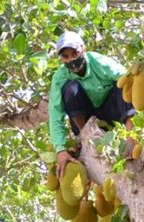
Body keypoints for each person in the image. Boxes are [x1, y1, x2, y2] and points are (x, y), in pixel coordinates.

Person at [49, 31, 135, 177]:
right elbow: (55, 113)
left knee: (124, 86)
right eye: (65, 56)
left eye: (74, 53)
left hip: (110, 113)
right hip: (85, 118)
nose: (71, 60)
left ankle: (131, 139)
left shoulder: (99, 62)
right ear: (61, 59)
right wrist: (60, 150)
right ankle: (86, 136)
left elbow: (128, 78)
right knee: (71, 88)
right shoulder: (60, 77)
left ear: (84, 49)